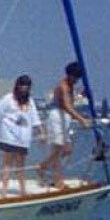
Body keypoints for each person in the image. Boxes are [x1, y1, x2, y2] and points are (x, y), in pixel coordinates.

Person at [38, 61, 92, 189]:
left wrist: (81, 95)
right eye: (76, 77)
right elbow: (67, 106)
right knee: (58, 148)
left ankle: (43, 166)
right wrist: (81, 119)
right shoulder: (63, 86)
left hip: (65, 118)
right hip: (57, 117)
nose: (77, 80)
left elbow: (71, 102)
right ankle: (57, 180)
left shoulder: (70, 86)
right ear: (70, 74)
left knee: (67, 150)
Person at [0, 75, 44, 197]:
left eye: (27, 86)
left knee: (21, 166)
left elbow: (35, 118)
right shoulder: (8, 98)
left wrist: (41, 132)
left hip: (23, 138)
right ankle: (4, 192)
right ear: (17, 85)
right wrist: (6, 124)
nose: (24, 88)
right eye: (22, 85)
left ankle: (22, 190)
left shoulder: (30, 101)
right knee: (7, 164)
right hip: (8, 136)